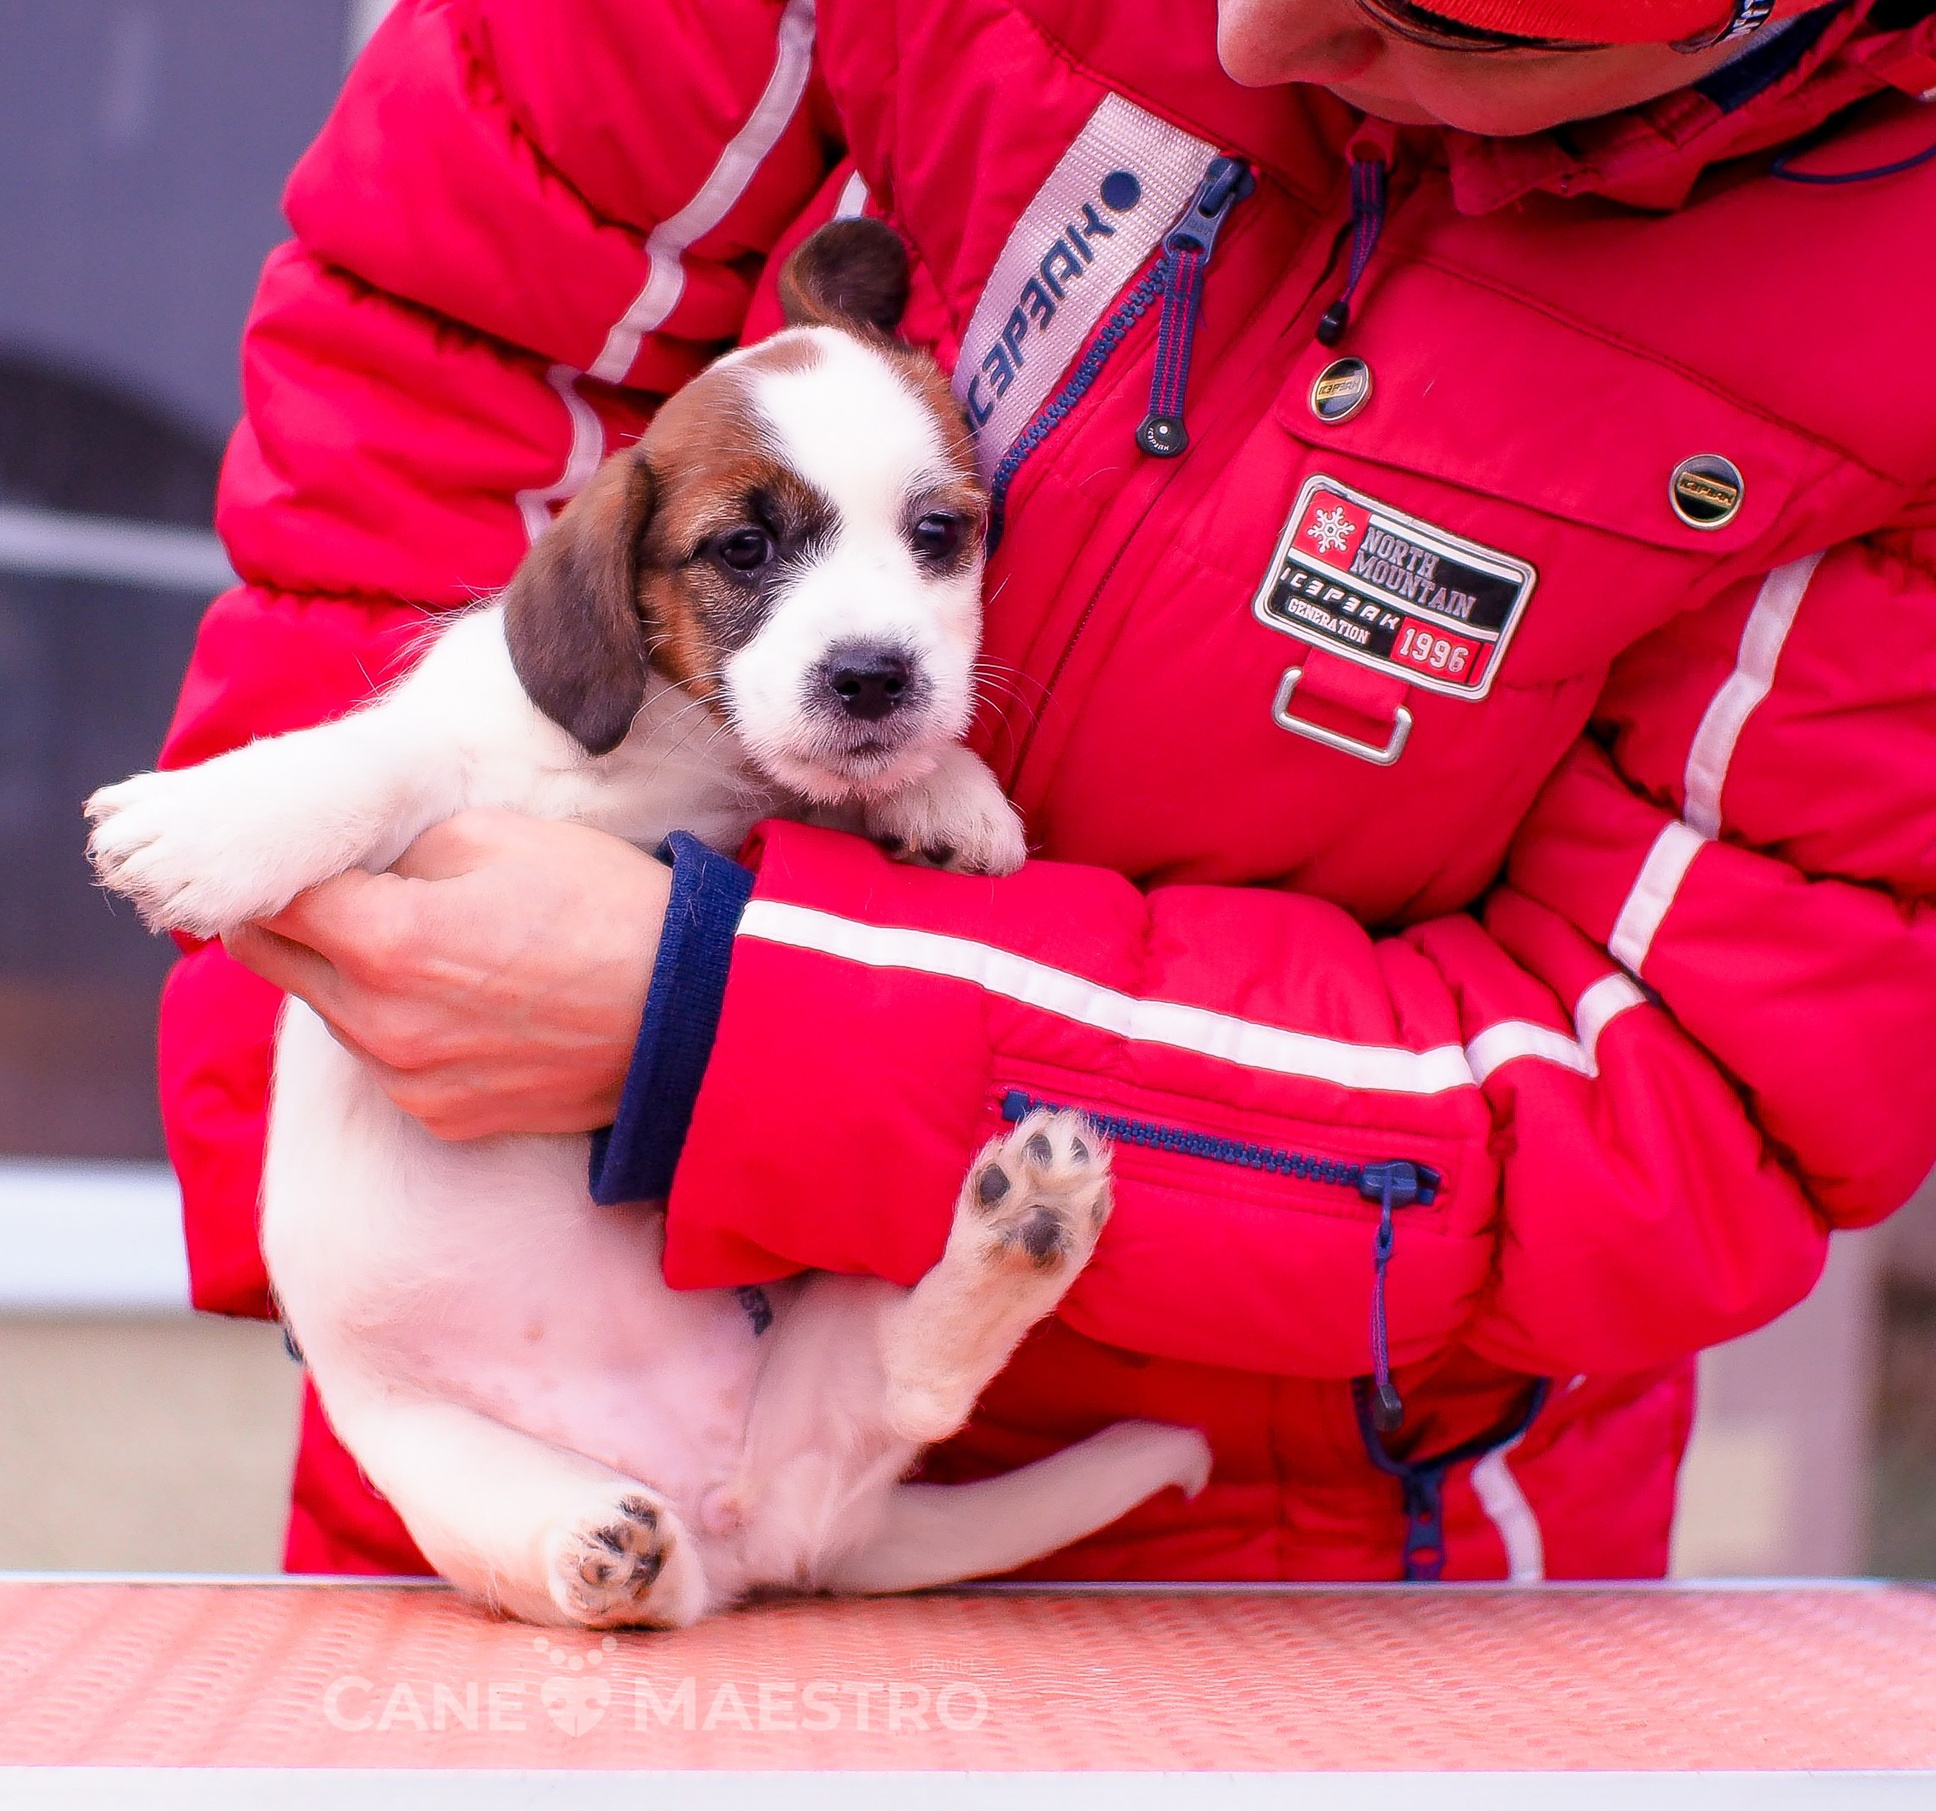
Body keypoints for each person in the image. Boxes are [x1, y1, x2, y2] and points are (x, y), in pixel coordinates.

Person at [154, 0, 1936, 1581]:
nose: (1245, 39)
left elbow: (1673, 1114)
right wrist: (330, 1176)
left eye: (1433, 16)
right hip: (516, 1417)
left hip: (1291, 1560)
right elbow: (440, 362)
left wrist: (721, 1011)